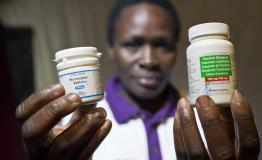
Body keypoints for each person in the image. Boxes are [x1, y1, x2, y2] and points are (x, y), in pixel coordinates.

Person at [16, 0, 260, 159]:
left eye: (162, 45)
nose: (148, 59)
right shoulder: (73, 126)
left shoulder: (208, 121)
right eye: (133, 44)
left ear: (176, 50)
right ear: (111, 49)